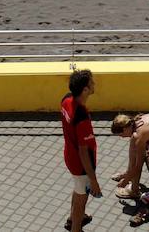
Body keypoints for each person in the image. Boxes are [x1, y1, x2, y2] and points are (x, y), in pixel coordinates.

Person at [61, 69, 100, 232]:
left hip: (70, 156)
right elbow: (84, 152)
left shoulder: (66, 99)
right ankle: (75, 228)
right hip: (81, 165)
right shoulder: (81, 117)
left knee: (78, 191)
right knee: (81, 198)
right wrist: (93, 180)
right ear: (84, 89)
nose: (94, 85)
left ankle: (74, 218)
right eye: (91, 83)